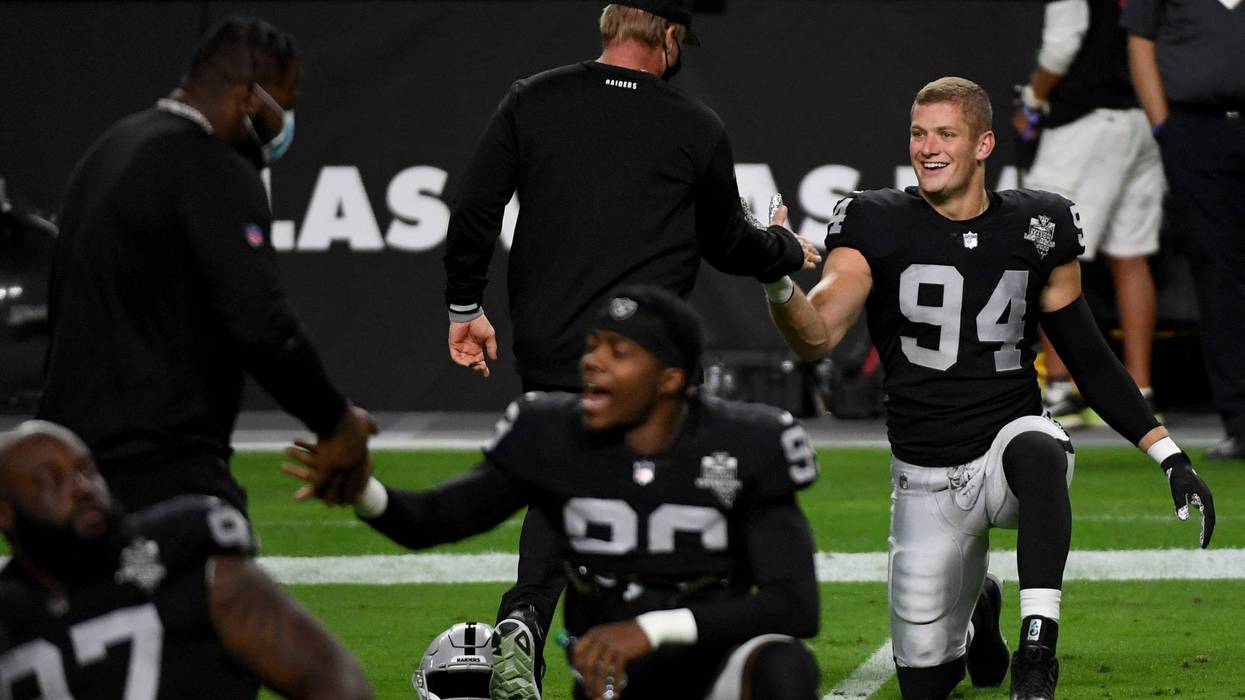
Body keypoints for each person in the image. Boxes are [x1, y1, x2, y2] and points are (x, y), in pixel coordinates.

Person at [763, 77, 1215, 700]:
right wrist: (776, 281)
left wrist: (1167, 454)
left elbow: (1087, 355)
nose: (928, 147)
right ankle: (981, 602)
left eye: (946, 133)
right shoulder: (876, 220)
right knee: (927, 681)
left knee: (1040, 448)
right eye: (918, 134)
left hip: (1007, 452)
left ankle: (1038, 647)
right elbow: (815, 336)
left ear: (983, 145)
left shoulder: (1036, 224)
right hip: (923, 474)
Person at [441, 0, 819, 687]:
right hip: (645, 356)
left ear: (608, 24)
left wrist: (465, 304)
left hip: (553, 343)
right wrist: (785, 249)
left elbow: (473, 209)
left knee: (565, 477)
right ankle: (654, 649)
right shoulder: (693, 125)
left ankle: (525, 620)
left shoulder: (533, 99)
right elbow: (728, 241)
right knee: (655, 494)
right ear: (669, 39)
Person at [287, 286, 823, 700]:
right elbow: (434, 519)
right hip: (614, 682)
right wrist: (364, 491)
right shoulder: (552, 435)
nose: (593, 362)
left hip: (716, 668)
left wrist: (651, 629)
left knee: (784, 664)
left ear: (669, 379)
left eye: (619, 351)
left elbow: (796, 606)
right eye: (592, 347)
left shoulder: (747, 443)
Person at [37, 16, 374, 514]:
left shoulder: (111, 148)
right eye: (286, 104)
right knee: (224, 586)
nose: (285, 123)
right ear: (251, 99)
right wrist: (336, 422)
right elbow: (262, 325)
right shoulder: (211, 168)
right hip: (157, 464)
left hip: (72, 457)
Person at [0, 421, 372, 699]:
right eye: (52, 480)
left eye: (88, 470)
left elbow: (330, 678)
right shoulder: (8, 612)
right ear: (4, 513)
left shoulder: (180, 552)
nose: (82, 487)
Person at [1013, 0, 1164, 427]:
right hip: (1140, 117)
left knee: (1046, 249)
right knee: (1131, 255)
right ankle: (1140, 391)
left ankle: (1061, 390)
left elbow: (1062, 45)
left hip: (1085, 122)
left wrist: (1033, 98)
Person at [1121, 0, 1245, 460]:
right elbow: (1140, 39)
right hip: (1197, 131)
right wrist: (1164, 126)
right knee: (1218, 274)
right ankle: (1240, 422)